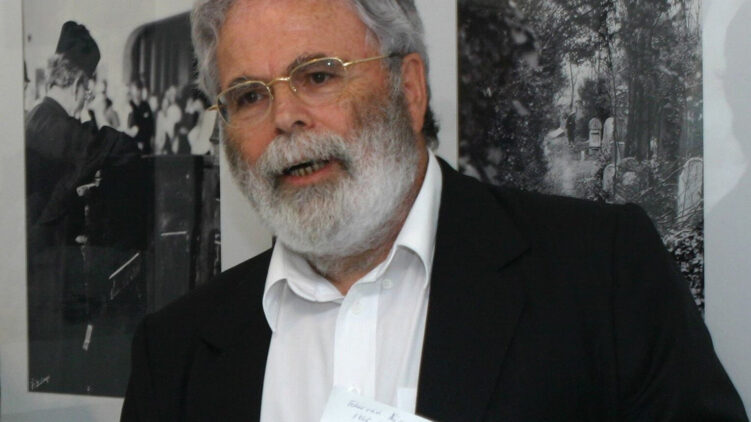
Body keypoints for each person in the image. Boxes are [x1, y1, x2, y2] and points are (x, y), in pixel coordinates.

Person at [121, 1, 748, 421]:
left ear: (410, 88)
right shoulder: (173, 353)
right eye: (249, 96)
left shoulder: (601, 274)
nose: (285, 117)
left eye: (318, 75)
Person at [25, 21, 143, 395]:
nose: (87, 99)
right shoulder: (48, 122)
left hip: (50, 258)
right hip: (46, 266)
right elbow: (102, 147)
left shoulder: (43, 118)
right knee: (56, 364)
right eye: (87, 89)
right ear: (77, 84)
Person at [126, 79, 155, 154]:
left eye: (140, 89)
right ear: (132, 91)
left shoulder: (146, 105)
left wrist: (152, 137)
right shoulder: (129, 106)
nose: (138, 92)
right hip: (133, 143)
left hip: (146, 142)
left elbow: (151, 123)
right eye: (136, 89)